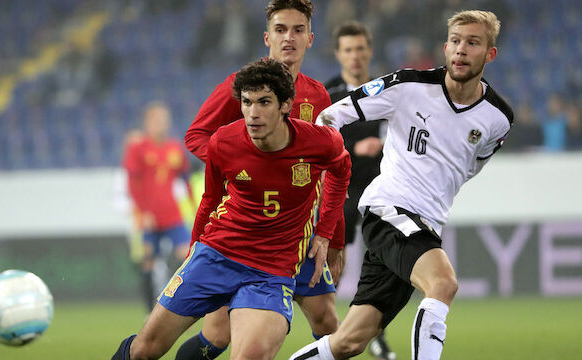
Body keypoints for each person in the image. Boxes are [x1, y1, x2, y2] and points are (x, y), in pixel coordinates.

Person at [290, 10, 513, 360]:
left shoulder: (498, 119)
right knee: (443, 284)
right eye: (455, 41)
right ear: (445, 47)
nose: (461, 50)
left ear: (490, 54)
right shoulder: (409, 85)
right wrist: (332, 165)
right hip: (389, 209)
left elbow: (472, 165)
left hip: (426, 224)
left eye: (472, 43)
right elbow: (331, 116)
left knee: (348, 342)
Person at [111, 57, 351, 360]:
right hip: (216, 255)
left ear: (286, 105)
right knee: (144, 350)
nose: (253, 113)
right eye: (247, 102)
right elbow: (210, 202)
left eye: (264, 102)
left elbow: (342, 170)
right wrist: (193, 254)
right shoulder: (223, 141)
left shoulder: (320, 142)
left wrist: (326, 233)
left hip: (271, 271)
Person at [180, 1, 345, 359]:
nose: (289, 38)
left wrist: (333, 236)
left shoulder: (317, 95)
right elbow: (196, 136)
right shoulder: (242, 87)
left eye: (298, 30)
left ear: (310, 39)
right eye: (281, 30)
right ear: (267, 37)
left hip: (297, 232)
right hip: (247, 232)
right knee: (218, 335)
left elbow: (330, 167)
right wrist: (245, 166)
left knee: (329, 321)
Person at [324, 21, 395, 360]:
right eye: (347, 50)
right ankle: (329, 332)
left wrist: (384, 146)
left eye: (359, 49)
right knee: (334, 261)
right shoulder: (328, 95)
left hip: (381, 186)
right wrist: (354, 147)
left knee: (380, 262)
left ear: (369, 50)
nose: (354, 56)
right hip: (343, 187)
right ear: (339, 54)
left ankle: (376, 336)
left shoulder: (386, 89)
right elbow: (320, 141)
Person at [123, 101, 193, 313]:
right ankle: (149, 312)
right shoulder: (138, 148)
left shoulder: (174, 147)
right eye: (156, 120)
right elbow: (132, 184)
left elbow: (185, 179)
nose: (161, 124)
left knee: (187, 258)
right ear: (147, 122)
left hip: (172, 215)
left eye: (164, 120)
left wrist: (195, 205)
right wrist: (143, 211)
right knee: (148, 263)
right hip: (149, 218)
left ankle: (181, 308)